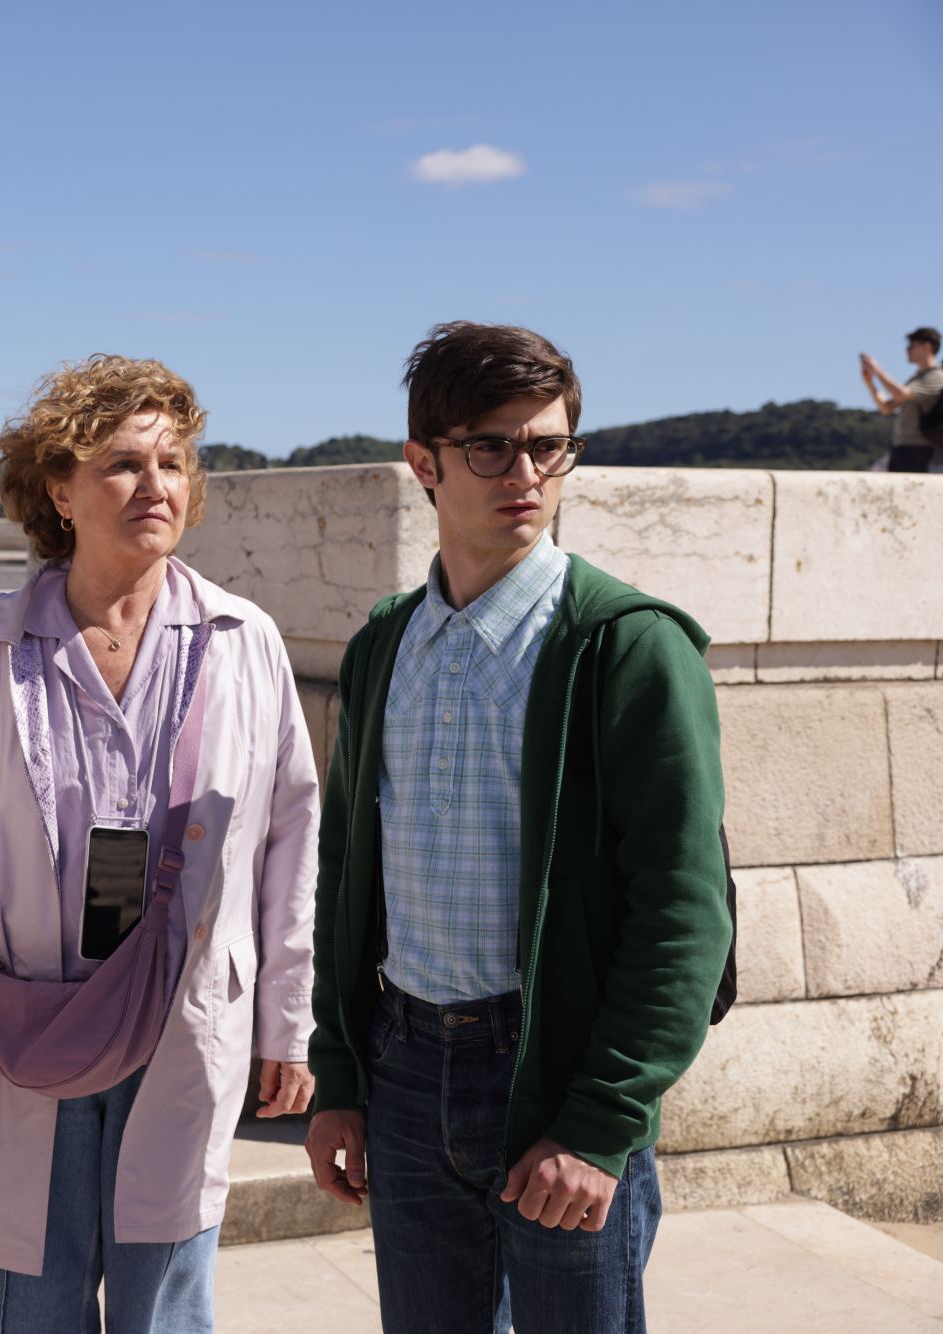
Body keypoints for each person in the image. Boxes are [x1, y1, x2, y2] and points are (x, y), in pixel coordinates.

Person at [0, 355, 321, 1333]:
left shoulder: (242, 642)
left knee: (168, 1308)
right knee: (35, 1304)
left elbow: (291, 837)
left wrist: (287, 1020)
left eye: (172, 463)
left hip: (182, 1021)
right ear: (59, 492)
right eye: (121, 463)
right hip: (19, 1028)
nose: (155, 484)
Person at [304, 322, 731, 1333]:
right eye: (490, 447)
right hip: (404, 1065)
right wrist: (340, 1073)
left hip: (552, 1076)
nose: (526, 474)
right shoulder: (382, 644)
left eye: (548, 445)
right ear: (424, 463)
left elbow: (682, 912)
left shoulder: (625, 645)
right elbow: (345, 872)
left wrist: (600, 1121)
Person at [861, 327, 943, 472]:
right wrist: (870, 383)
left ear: (927, 347)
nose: (907, 350)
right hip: (902, 447)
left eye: (912, 345)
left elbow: (901, 394)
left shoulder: (937, 376)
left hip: (922, 450)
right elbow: (886, 408)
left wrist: (877, 371)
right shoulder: (916, 379)